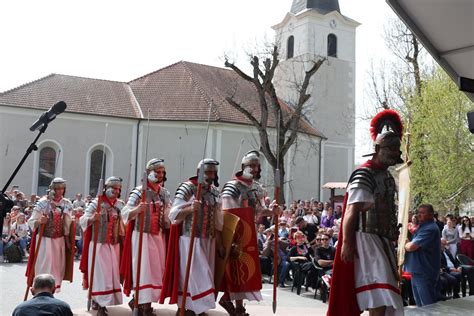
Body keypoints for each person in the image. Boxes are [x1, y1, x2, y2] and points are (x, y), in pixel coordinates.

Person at [328, 109, 405, 316]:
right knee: (380, 288)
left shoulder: (387, 177)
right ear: (378, 148)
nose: (395, 153)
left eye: (397, 148)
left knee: (382, 291)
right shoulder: (365, 173)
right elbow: (351, 210)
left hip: (382, 239)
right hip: (366, 239)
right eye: (391, 148)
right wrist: (347, 242)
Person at [218, 150, 280, 316]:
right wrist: (230, 238)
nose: (253, 168)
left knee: (246, 270)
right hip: (236, 235)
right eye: (250, 165)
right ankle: (234, 305)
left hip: (250, 233)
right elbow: (227, 213)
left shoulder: (257, 188)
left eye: (256, 166)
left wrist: (273, 211)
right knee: (237, 271)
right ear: (243, 166)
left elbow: (259, 211)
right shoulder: (232, 186)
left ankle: (236, 305)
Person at [162, 159, 224, 315]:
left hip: (208, 240)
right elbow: (173, 215)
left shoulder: (215, 192)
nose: (211, 175)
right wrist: (190, 208)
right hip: (190, 240)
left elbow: (218, 220)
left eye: (213, 172)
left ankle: (197, 308)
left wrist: (220, 243)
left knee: (203, 274)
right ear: (200, 172)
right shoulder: (187, 189)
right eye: (208, 172)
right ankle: (185, 307)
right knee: (194, 275)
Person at [121, 158, 171, 316]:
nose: (161, 175)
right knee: (143, 270)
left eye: (162, 172)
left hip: (158, 236)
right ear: (150, 172)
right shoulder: (139, 191)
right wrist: (137, 209)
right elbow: (125, 212)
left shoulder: (164, 193)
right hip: (141, 236)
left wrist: (169, 220)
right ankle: (144, 305)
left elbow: (168, 216)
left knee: (156, 270)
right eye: (158, 172)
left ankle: (142, 302)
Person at [80, 176, 125, 315]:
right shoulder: (96, 203)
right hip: (99, 244)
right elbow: (82, 219)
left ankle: (102, 300)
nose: (116, 191)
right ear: (106, 188)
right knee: (100, 274)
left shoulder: (120, 204)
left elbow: (125, 222)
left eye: (118, 189)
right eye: (114, 188)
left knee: (111, 274)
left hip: (114, 244)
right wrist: (93, 218)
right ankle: (99, 303)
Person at [26, 178, 75, 292]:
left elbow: (67, 225)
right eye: (57, 188)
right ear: (52, 189)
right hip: (44, 240)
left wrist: (68, 241)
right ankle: (40, 291)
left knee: (57, 267)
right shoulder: (43, 203)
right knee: (44, 265)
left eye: (62, 188)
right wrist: (39, 221)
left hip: (59, 240)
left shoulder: (66, 203)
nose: (59, 191)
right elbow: (31, 221)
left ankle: (51, 292)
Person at [404, 204, 441, 306]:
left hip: (424, 271)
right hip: (418, 271)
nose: (419, 215)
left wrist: (405, 243)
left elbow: (412, 246)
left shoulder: (430, 228)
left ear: (431, 215)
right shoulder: (422, 226)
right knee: (421, 306)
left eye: (423, 213)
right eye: (419, 212)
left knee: (427, 306)